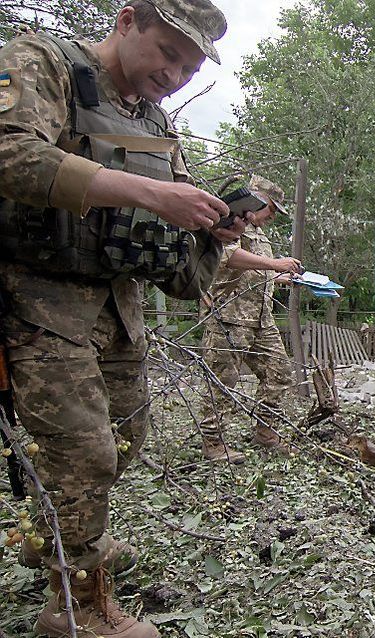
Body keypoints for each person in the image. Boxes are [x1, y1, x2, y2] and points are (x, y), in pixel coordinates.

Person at [0, 1, 241, 636]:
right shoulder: (44, 62)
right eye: (169, 53)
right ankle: (77, 607)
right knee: (85, 454)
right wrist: (146, 191)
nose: (176, 76)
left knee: (128, 439)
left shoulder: (155, 122)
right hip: (38, 297)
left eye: (189, 68)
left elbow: (181, 264)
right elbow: (8, 155)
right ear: (127, 20)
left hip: (118, 307)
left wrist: (215, 231)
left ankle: (49, 532)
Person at [198, 174, 299, 463]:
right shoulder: (228, 224)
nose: (272, 217)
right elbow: (227, 258)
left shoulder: (259, 234)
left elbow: (256, 273)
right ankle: (213, 444)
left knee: (280, 373)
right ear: (254, 200)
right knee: (222, 382)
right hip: (228, 318)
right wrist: (274, 263)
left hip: (260, 321)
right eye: (271, 209)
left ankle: (265, 432)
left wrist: (280, 277)